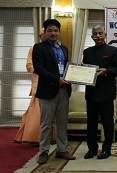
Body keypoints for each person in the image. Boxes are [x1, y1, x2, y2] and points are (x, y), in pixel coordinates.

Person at [32, 19, 76, 164]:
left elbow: (66, 67)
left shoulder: (64, 48)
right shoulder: (39, 47)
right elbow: (39, 68)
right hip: (48, 90)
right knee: (46, 123)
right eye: (50, 30)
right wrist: (56, 79)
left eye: (56, 30)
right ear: (44, 31)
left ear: (59, 32)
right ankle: (43, 152)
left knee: (62, 123)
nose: (53, 33)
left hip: (64, 90)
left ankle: (61, 150)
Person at [82, 24, 117, 160]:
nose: (98, 36)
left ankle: (106, 149)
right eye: (95, 34)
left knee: (107, 123)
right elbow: (84, 70)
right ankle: (92, 149)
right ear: (92, 36)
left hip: (106, 94)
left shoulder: (113, 51)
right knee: (91, 124)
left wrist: (107, 71)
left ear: (105, 35)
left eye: (100, 33)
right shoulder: (87, 52)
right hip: (91, 94)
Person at [14, 28, 55, 145]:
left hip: (52, 83)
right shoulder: (34, 49)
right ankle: (35, 137)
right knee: (37, 111)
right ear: (41, 36)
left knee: (49, 112)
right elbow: (29, 66)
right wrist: (43, 71)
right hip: (39, 82)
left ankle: (49, 136)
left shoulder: (55, 49)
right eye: (45, 34)